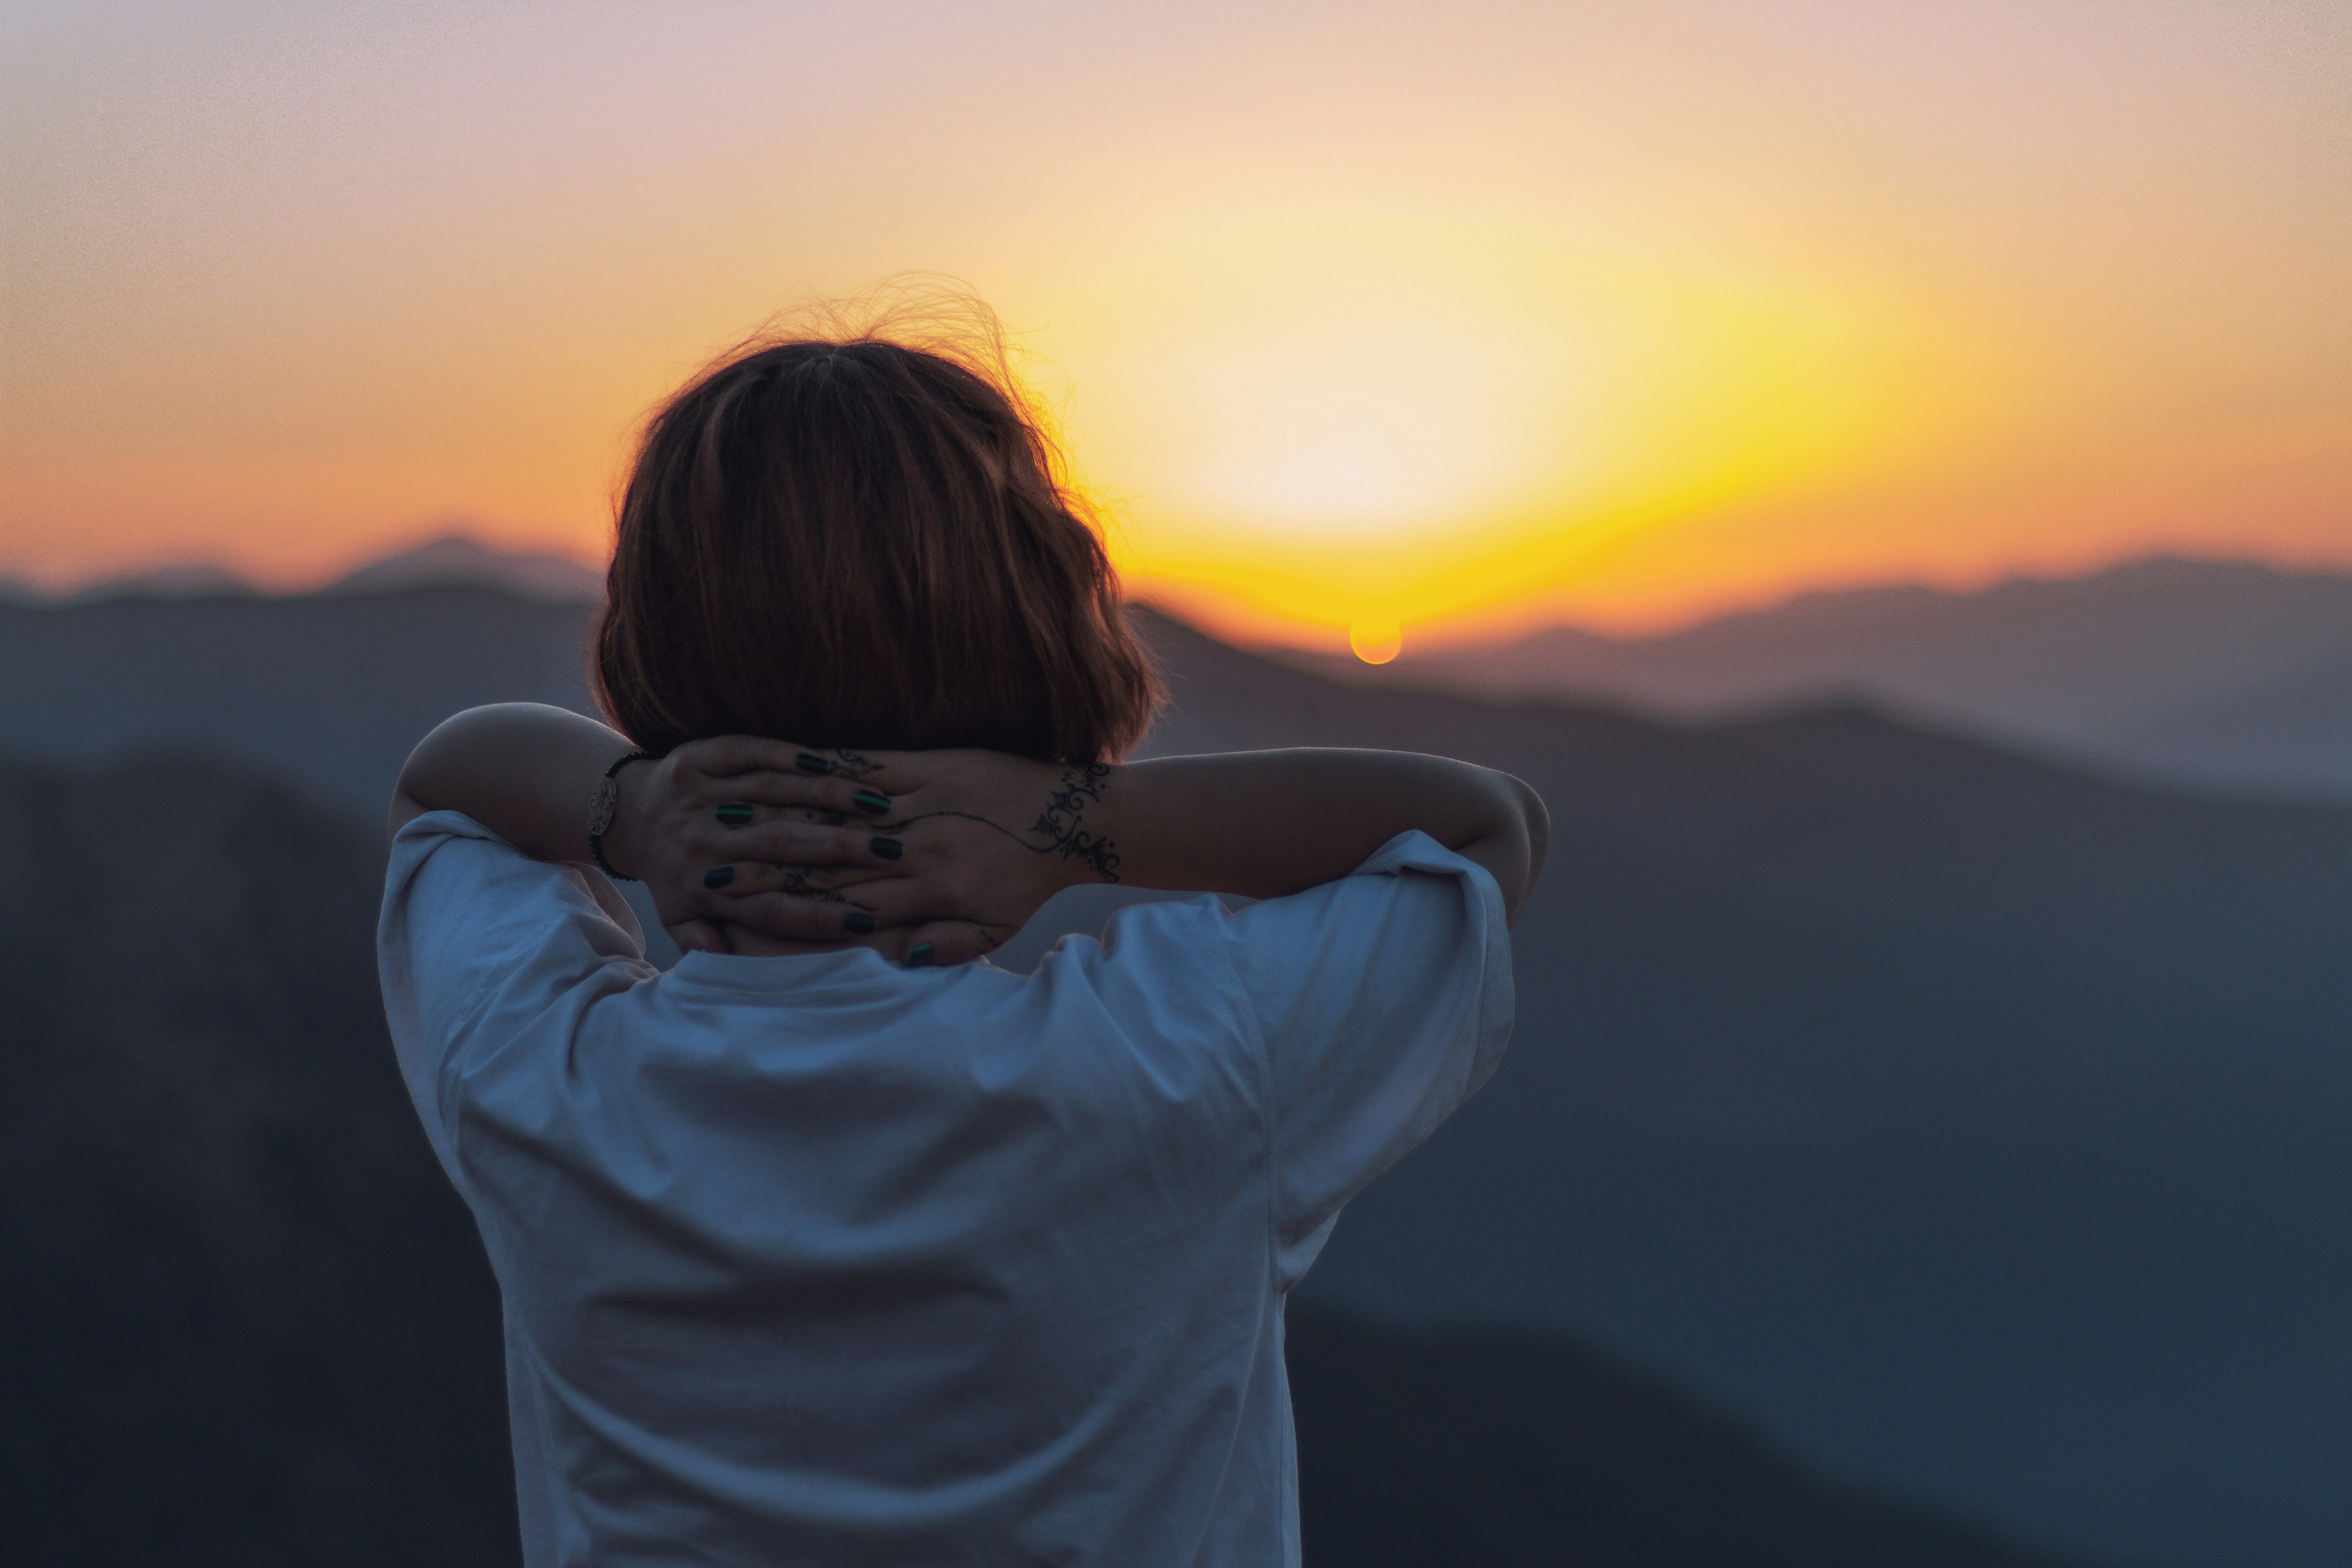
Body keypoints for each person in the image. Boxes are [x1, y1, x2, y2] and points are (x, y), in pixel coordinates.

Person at [378, 305, 1548, 1567]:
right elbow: (1484, 828)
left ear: (644, 653)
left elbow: (443, 789)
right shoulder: (1184, 1056)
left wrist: (631, 817)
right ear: (1044, 647)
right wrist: (1069, 826)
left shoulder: (536, 1075)